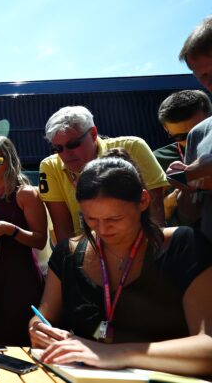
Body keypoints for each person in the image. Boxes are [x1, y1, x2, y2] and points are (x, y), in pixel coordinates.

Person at [28, 156, 212, 375]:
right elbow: (43, 316)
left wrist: (114, 353)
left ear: (143, 201)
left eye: (114, 218)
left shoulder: (183, 246)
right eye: (91, 219)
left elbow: (207, 348)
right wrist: (38, 330)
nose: (103, 230)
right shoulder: (67, 253)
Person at [38, 105, 168, 242]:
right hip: (87, 252)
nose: (66, 154)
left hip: (139, 244)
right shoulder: (49, 166)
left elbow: (156, 214)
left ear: (93, 134)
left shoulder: (134, 147)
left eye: (73, 144)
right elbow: (64, 231)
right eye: (58, 148)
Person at [0, 136, 46, 345]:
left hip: (20, 278)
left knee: (19, 341)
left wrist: (9, 229)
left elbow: (40, 240)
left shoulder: (26, 194)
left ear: (9, 159)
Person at [173, 15, 212, 244]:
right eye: (201, 76)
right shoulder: (199, 134)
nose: (208, 82)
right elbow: (190, 214)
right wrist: (184, 186)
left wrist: (192, 174)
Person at [153, 90, 211, 226]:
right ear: (166, 129)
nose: (192, 140)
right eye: (181, 137)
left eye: (200, 132)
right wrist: (171, 201)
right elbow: (150, 220)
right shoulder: (156, 161)